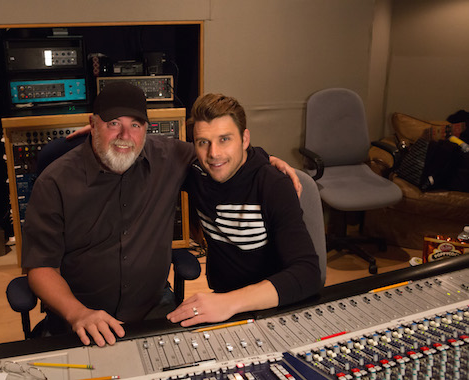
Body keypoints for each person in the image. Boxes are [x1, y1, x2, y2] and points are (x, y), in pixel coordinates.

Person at [22, 82, 301, 347]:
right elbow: (40, 268)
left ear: (146, 128)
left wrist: (266, 161)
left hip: (153, 310)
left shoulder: (170, 156)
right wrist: (77, 314)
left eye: (135, 125)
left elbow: (220, 155)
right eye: (112, 124)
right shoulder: (54, 182)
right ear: (93, 125)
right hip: (80, 316)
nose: (124, 136)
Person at [166, 93, 322, 327]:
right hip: (224, 302)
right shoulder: (196, 172)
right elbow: (143, 148)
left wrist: (228, 302)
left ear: (245, 139)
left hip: (274, 305)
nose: (214, 154)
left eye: (225, 139)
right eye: (203, 142)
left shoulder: (273, 184)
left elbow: (308, 274)